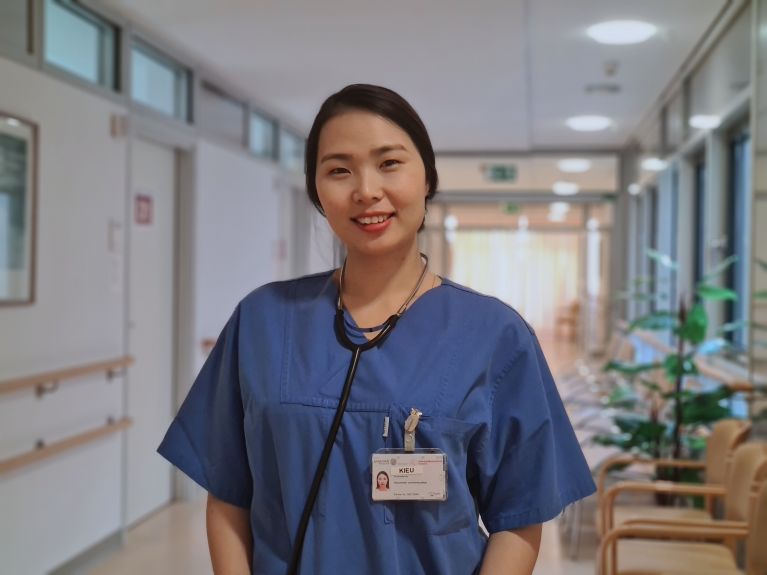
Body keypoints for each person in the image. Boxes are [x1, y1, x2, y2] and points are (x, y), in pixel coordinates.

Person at [158, 84, 596, 575]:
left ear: (427, 177)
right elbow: (228, 494)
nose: (366, 190)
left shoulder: (496, 335)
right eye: (339, 170)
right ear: (318, 192)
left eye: (389, 163)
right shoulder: (262, 320)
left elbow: (518, 519)